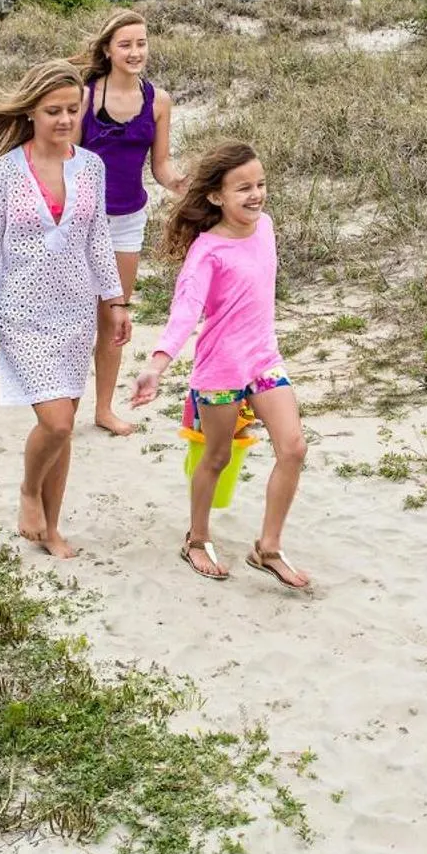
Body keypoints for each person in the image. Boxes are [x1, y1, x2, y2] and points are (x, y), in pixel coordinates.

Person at [0, 59, 128, 558]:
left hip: (74, 312)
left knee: (63, 426)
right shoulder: (4, 173)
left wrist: (116, 303)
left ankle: (51, 528)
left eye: (73, 109)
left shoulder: (91, 167)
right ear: (31, 112)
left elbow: (98, 240)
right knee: (58, 423)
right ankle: (29, 492)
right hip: (21, 314)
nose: (65, 119)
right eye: (53, 111)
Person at [130, 142, 309, 588]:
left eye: (260, 184)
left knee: (294, 448)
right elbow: (185, 312)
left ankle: (267, 548)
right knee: (216, 455)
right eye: (243, 188)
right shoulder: (207, 251)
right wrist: (157, 365)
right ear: (216, 197)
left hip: (264, 360)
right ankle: (197, 538)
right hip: (221, 368)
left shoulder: (265, 227)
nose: (256, 196)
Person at [76, 9, 185, 436]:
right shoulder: (85, 97)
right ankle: (61, 403)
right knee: (77, 317)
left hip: (127, 222)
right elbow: (67, 161)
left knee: (113, 317)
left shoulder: (158, 100)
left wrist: (182, 183)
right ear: (108, 50)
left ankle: (104, 409)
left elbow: (160, 166)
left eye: (141, 43)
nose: (135, 51)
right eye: (126, 44)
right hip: (82, 222)